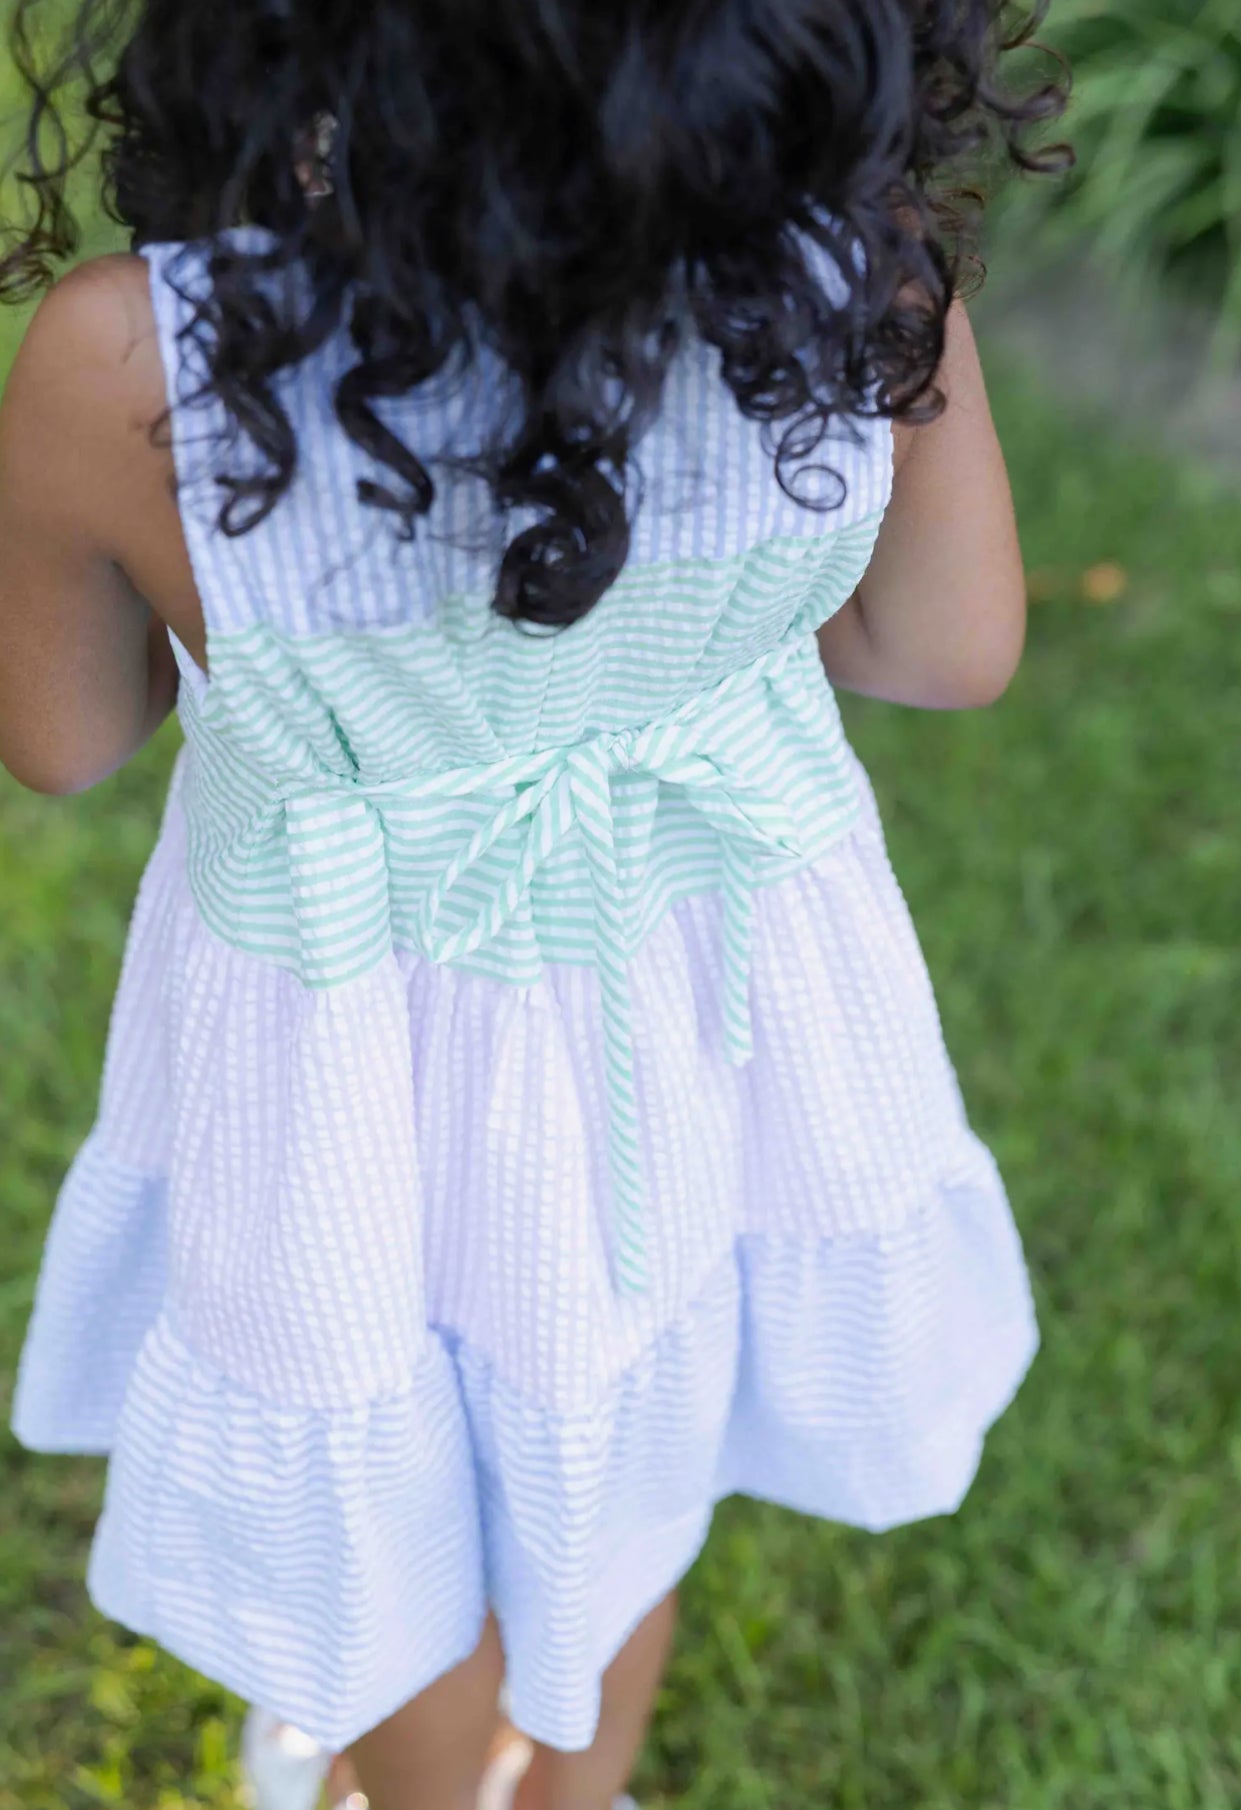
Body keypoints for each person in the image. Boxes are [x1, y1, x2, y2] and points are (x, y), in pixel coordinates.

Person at [0, 3, 1066, 1807]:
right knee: (627, 1382)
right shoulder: (856, 281)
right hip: (699, 987)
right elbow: (950, 651)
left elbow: (68, 736)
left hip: (344, 1035)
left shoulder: (148, 358)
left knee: (375, 1433)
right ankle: (578, 1788)